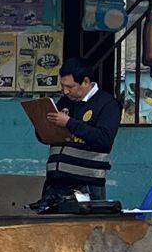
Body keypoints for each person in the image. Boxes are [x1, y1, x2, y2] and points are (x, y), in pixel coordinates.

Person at [37, 57, 121, 203]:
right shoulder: (65, 102)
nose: (65, 91)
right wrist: (43, 126)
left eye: (70, 87)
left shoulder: (108, 104)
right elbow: (49, 137)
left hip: (87, 185)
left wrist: (69, 123)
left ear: (86, 82)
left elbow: (104, 139)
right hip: (55, 184)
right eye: (63, 86)